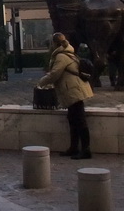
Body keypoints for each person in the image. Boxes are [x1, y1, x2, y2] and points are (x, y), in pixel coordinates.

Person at [37, 32, 94, 160]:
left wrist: (40, 83)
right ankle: (74, 148)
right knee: (73, 119)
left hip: (74, 90)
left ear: (55, 43)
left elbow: (54, 74)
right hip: (73, 90)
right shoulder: (66, 52)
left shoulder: (61, 56)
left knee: (79, 120)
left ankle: (86, 150)